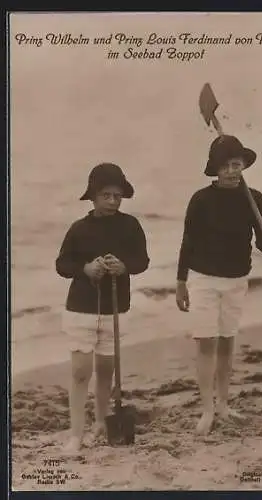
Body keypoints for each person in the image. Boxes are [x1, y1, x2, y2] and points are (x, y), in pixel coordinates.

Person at [175, 135, 262, 436]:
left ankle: (223, 403)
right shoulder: (201, 200)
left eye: (238, 165)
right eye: (227, 166)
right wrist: (181, 283)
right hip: (203, 278)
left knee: (227, 341)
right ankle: (207, 410)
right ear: (216, 169)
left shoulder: (254, 198)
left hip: (237, 279)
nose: (234, 171)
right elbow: (188, 243)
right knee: (206, 342)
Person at [56, 163, 149, 453]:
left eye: (117, 196)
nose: (112, 201)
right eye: (106, 195)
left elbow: (142, 261)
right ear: (93, 197)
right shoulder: (79, 229)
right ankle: (75, 434)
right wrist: (85, 268)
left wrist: (124, 267)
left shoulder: (130, 225)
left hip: (116, 309)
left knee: (107, 371)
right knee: (81, 371)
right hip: (80, 310)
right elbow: (62, 265)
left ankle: (100, 422)